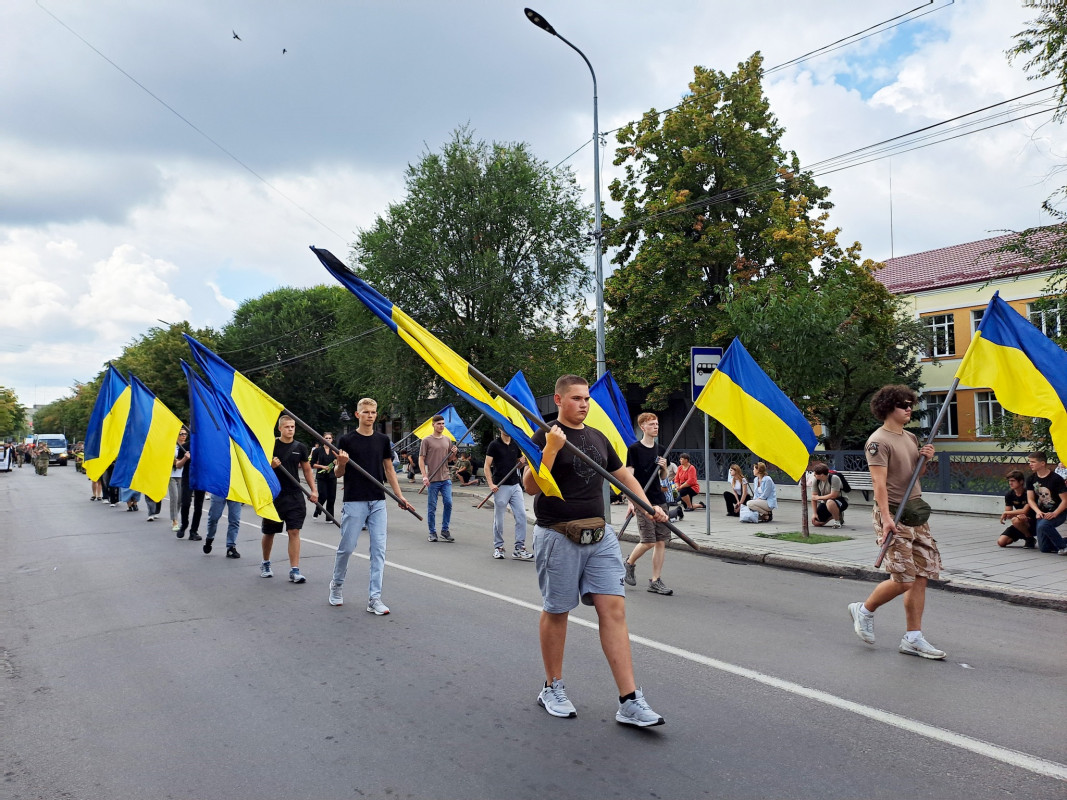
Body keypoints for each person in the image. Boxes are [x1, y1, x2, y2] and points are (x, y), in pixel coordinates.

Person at [523, 374, 667, 727]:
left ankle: (630, 700)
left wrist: (647, 505)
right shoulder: (544, 435)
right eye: (576, 399)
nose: (584, 404)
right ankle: (552, 687)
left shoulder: (598, 437)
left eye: (586, 398)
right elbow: (530, 486)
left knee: (614, 609)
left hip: (600, 536)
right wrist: (552, 449)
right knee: (558, 610)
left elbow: (625, 476)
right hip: (557, 534)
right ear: (558, 401)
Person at [847, 384, 946, 660]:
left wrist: (925, 459)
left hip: (915, 512)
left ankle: (913, 637)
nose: (909, 409)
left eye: (910, 404)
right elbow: (878, 484)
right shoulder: (878, 442)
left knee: (922, 574)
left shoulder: (911, 437)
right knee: (903, 578)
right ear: (888, 407)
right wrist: (887, 520)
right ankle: (864, 610)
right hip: (892, 512)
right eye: (904, 405)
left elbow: (916, 475)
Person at [330, 398, 413, 614]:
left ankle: (374, 598)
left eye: (373, 412)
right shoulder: (346, 440)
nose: (370, 415)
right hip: (354, 500)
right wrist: (341, 463)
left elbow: (389, 469)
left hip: (378, 500)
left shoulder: (382, 440)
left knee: (379, 550)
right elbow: (338, 474)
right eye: (366, 412)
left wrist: (399, 496)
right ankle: (337, 585)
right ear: (358, 415)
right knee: (347, 547)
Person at [260, 415, 318, 583]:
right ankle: (265, 563)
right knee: (269, 532)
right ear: (280, 429)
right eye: (287, 427)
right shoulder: (271, 445)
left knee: (294, 531)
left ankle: (295, 569)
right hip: (275, 495)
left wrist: (314, 490)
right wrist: (270, 466)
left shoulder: (300, 447)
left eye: (292, 427)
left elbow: (307, 470)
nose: (290, 429)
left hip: (294, 495)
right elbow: (260, 469)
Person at [623, 412, 674, 596]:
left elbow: (663, 478)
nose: (656, 427)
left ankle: (655, 581)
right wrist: (631, 502)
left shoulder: (660, 449)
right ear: (642, 427)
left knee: (661, 541)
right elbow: (628, 476)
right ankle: (628, 563)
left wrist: (664, 468)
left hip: (659, 500)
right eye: (652, 424)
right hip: (642, 500)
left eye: (657, 423)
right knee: (648, 541)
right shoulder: (634, 449)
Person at [484, 427, 532, 560]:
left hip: (515, 485)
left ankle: (519, 548)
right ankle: (498, 547)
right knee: (499, 519)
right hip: (500, 486)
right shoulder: (494, 445)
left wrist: (522, 462)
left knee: (521, 515)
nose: (506, 429)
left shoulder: (515, 444)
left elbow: (518, 464)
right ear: (499, 428)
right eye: (504, 426)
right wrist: (490, 484)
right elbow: (487, 466)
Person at [418, 415, 456, 543]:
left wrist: (453, 453)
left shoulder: (447, 440)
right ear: (433, 425)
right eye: (439, 423)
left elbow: (450, 460)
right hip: (432, 479)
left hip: (445, 477)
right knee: (432, 507)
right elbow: (421, 459)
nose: (441, 426)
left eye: (443, 423)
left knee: (449, 503)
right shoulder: (426, 440)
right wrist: (424, 476)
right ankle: (432, 532)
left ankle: (445, 530)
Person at [1025, 451, 1067, 555]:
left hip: (1058, 513)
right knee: (1044, 548)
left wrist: (1055, 513)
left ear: (1042, 463)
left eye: (1033, 462)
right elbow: (1030, 499)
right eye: (1030, 462)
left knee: (1043, 525)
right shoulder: (1031, 479)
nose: (1030, 464)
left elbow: (1065, 500)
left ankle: (1063, 547)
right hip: (1042, 514)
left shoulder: (1056, 479)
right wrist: (1038, 512)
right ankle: (1063, 542)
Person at [178, 429, 205, 540]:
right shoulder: (185, 446)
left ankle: (193, 531)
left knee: (198, 506)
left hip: (201, 478)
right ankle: (184, 525)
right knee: (185, 503)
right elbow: (178, 465)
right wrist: (185, 457)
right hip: (187, 477)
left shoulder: (205, 446)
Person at [998, 469, 1036, 548]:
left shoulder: (1028, 493)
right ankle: (1024, 534)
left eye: (1013, 481)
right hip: (1018, 521)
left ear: (1021, 481)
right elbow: (1008, 514)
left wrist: (1007, 513)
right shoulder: (1009, 494)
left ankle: (1029, 539)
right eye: (1009, 481)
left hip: (1032, 521)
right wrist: (1010, 514)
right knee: (1001, 542)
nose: (1010, 483)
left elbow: (1025, 511)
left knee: (1016, 520)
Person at [203, 493, 242, 558]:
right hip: (219, 488)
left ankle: (231, 546)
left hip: (235, 490)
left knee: (235, 520)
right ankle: (209, 538)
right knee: (213, 518)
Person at [310, 432, 338, 522]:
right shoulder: (317, 451)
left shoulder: (335, 450)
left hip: (332, 476)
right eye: (326, 438)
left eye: (329, 438)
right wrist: (322, 467)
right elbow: (312, 464)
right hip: (321, 476)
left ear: (332, 439)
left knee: (331, 497)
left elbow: (340, 462)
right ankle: (317, 510)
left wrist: (337, 463)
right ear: (323, 439)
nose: (328, 440)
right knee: (323, 495)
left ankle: (329, 517)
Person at [810, 462, 848, 528]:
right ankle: (836, 515)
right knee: (816, 522)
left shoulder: (834, 478)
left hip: (840, 501)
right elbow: (813, 497)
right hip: (825, 502)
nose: (814, 475)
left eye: (815, 474)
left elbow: (834, 495)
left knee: (830, 502)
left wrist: (818, 497)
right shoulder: (816, 480)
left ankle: (837, 521)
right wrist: (815, 513)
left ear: (821, 475)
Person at [169, 431, 190, 535]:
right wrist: (180, 459)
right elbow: (170, 460)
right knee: (174, 498)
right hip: (172, 475)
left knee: (180, 499)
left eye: (185, 434)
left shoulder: (187, 446)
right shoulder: (173, 447)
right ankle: (175, 521)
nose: (183, 436)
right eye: (181, 434)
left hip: (183, 476)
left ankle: (175, 516)